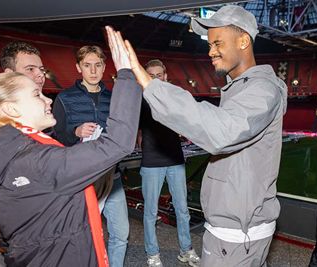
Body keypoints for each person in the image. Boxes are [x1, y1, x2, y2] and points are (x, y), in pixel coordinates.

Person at [109, 5, 288, 266]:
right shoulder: (244, 88)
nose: (210, 51)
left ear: (243, 41)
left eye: (217, 43)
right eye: (209, 44)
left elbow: (220, 130)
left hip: (237, 235)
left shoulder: (262, 89)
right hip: (236, 230)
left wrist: (149, 83)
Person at [0, 26, 142, 266]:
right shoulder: (35, 160)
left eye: (40, 70)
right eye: (35, 94)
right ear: (11, 108)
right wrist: (126, 73)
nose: (48, 97)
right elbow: (117, 143)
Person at [52, 45, 130, 267]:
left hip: (111, 176)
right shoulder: (65, 98)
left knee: (121, 233)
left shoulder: (114, 97)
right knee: (83, 235)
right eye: (87, 65)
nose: (93, 71)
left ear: (105, 67)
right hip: (82, 178)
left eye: (98, 65)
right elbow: (57, 138)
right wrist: (75, 131)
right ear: (78, 67)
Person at [0, 40, 48, 267]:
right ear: (8, 74)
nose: (40, 75)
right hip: (3, 220)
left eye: (41, 69)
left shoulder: (40, 108)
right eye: (30, 69)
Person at [138, 59, 200, 267]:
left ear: (165, 77)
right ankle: (153, 254)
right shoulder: (140, 99)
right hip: (151, 162)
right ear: (147, 77)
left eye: (159, 75)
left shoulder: (175, 98)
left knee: (183, 210)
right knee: (150, 212)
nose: (156, 79)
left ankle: (186, 250)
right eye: (151, 75)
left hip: (175, 159)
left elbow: (188, 121)